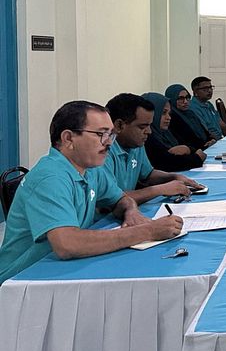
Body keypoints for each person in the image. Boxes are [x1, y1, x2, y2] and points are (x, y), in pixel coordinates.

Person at [0, 101, 184, 284]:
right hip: (21, 280)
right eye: (101, 134)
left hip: (63, 269)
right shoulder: (50, 178)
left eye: (111, 135)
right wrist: (148, 231)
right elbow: (67, 244)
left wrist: (131, 212)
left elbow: (121, 198)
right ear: (68, 139)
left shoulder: (91, 169)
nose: (109, 143)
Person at [104, 93, 204, 204]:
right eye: (142, 127)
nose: (149, 131)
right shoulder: (103, 151)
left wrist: (174, 177)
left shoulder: (135, 144)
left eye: (149, 125)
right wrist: (160, 189)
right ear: (119, 125)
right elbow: (112, 199)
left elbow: (147, 174)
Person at [142, 92, 207, 172]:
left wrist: (188, 149)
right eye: (163, 113)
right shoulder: (147, 136)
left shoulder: (166, 133)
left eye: (169, 113)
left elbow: (187, 146)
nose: (168, 117)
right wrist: (197, 158)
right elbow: (167, 163)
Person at [165, 84, 215, 150]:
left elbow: (205, 132)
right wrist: (204, 146)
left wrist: (211, 140)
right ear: (172, 99)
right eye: (181, 98)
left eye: (187, 97)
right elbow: (184, 142)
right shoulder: (171, 118)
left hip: (206, 148)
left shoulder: (190, 113)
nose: (185, 101)